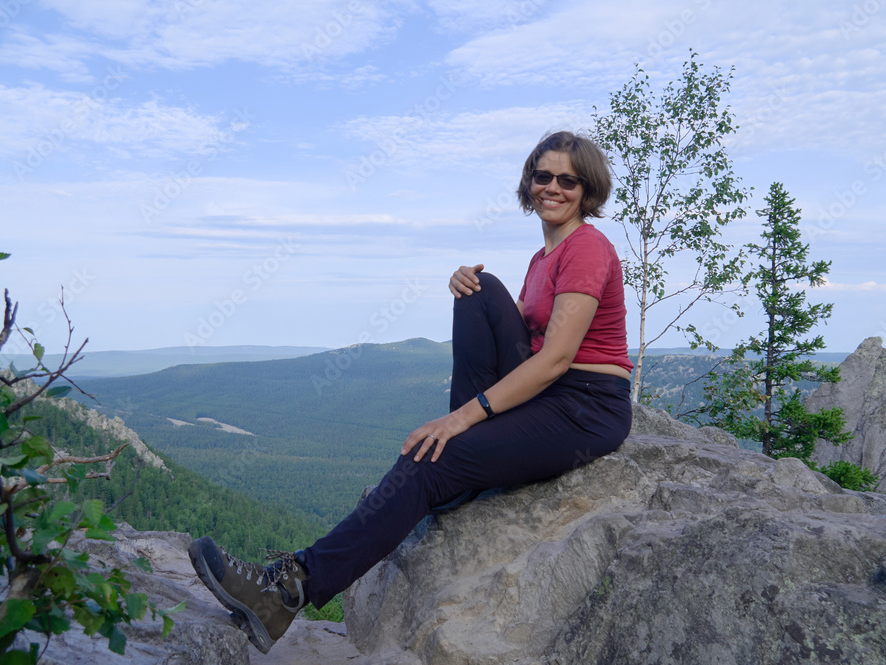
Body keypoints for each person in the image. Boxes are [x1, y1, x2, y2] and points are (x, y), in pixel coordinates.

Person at [188, 130, 634, 654]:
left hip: (586, 406)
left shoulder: (587, 248)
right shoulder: (543, 258)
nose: (552, 187)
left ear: (588, 189)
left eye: (568, 180)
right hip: (552, 391)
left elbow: (557, 358)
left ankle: (287, 590)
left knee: (429, 458)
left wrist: (463, 419)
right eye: (543, 176)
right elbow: (521, 345)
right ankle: (461, 471)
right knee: (478, 287)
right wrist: (465, 290)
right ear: (528, 180)